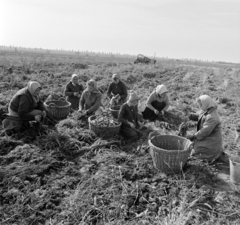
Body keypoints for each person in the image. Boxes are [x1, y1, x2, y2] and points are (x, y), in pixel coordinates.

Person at [187, 95, 225, 162]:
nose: (199, 106)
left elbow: (205, 131)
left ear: (205, 103)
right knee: (191, 147)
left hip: (212, 140)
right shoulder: (207, 109)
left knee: (195, 152)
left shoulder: (212, 117)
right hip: (207, 137)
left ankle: (212, 154)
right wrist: (190, 116)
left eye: (200, 104)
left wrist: (193, 136)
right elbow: (200, 116)